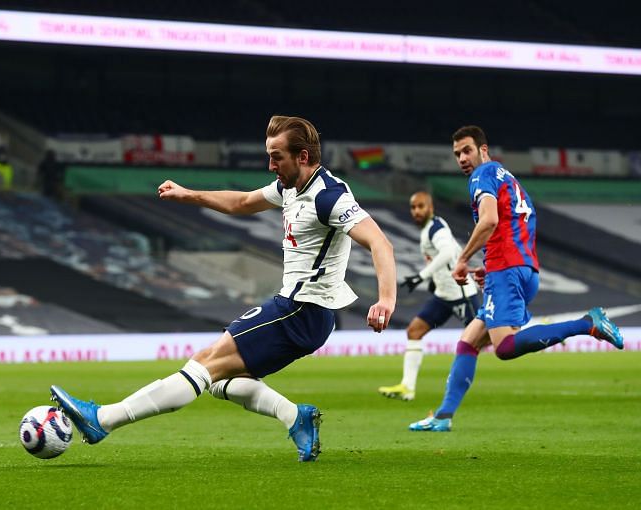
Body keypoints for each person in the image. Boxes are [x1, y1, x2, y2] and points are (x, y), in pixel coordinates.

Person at [50, 115, 397, 461]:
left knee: (202, 365)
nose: (270, 164)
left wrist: (385, 300)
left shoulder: (328, 197)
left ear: (302, 157)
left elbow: (380, 243)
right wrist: (188, 195)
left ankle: (103, 420)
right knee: (218, 381)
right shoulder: (291, 188)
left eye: (277, 156)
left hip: (301, 310)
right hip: (301, 312)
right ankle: (296, 417)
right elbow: (243, 203)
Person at [409, 125, 624, 432]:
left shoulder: (481, 176)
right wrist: (495, 268)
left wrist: (463, 259)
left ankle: (587, 323)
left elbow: (490, 220)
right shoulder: (507, 178)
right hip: (520, 267)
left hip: (506, 269)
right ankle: (443, 416)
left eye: (467, 150)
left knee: (505, 347)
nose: (462, 158)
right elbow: (512, 224)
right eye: (457, 154)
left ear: (484, 150)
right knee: (468, 341)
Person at [378, 191, 480, 401]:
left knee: (493, 340)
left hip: (462, 295)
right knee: (414, 331)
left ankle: (533, 328)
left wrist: (422, 276)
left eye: (421, 206)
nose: (416, 211)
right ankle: (407, 387)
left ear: (430, 208)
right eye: (413, 207)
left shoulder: (436, 228)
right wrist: (435, 281)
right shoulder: (429, 229)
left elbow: (448, 253)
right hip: (444, 296)